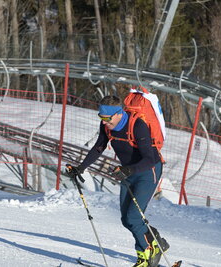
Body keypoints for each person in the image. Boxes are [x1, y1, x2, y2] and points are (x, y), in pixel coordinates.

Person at [67, 95, 169, 267]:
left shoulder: (137, 125)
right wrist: (81, 167)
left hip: (147, 172)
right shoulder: (106, 126)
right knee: (126, 219)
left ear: (119, 113)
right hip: (128, 172)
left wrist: (129, 170)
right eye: (101, 118)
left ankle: (146, 256)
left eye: (107, 118)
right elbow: (99, 146)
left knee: (134, 217)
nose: (104, 122)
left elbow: (149, 159)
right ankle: (155, 241)